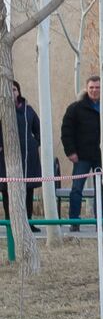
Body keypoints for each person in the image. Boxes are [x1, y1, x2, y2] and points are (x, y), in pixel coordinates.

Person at [60, 74, 103, 231]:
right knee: (76, 189)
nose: (94, 90)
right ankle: (74, 223)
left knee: (102, 190)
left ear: (102, 89)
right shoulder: (75, 108)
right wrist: (70, 152)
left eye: (98, 87)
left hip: (102, 156)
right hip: (81, 157)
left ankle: (102, 223)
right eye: (91, 87)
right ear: (86, 89)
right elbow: (66, 131)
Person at [1, 80, 42, 230]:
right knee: (7, 190)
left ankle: (28, 223)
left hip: (27, 157)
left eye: (14, 89)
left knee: (28, 190)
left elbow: (39, 130)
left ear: (19, 91)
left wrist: (34, 143)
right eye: (9, 90)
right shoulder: (2, 110)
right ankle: (10, 223)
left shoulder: (28, 110)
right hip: (6, 157)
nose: (12, 92)